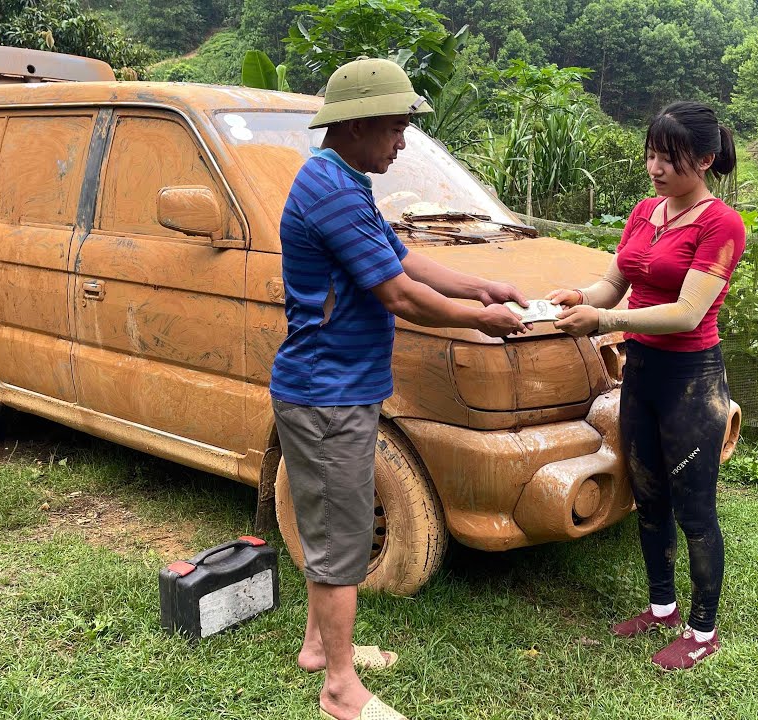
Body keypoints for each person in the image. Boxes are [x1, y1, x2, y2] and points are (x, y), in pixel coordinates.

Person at [272, 57, 529, 720]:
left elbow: (401, 257)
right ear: (354, 126)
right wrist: (484, 320)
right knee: (343, 536)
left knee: (331, 525)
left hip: (338, 386)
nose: (402, 141)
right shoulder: (330, 189)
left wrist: (481, 285)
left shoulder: (344, 180)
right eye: (393, 127)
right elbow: (399, 295)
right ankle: (339, 688)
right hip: (326, 393)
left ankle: (318, 649)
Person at [549, 101, 746, 671]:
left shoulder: (720, 224)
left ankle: (702, 631)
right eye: (652, 155)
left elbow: (687, 314)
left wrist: (605, 323)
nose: (656, 168)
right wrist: (580, 298)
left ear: (705, 160)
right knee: (648, 499)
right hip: (643, 376)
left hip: (691, 381)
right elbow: (615, 282)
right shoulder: (644, 212)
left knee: (695, 510)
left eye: (670, 158)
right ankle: (661, 608)